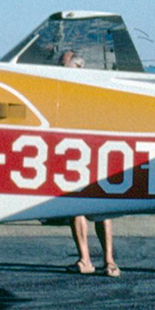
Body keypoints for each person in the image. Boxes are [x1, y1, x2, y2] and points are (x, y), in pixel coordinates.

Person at [59, 49, 119, 276]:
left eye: (65, 67)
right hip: (75, 156)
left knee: (101, 209)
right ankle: (86, 259)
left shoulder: (90, 91)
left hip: (94, 154)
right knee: (77, 208)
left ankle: (108, 260)